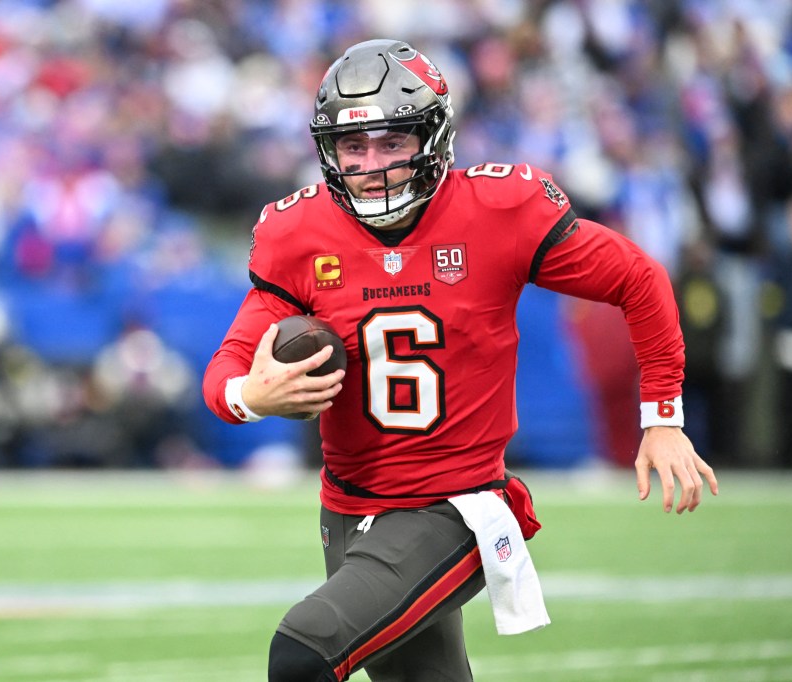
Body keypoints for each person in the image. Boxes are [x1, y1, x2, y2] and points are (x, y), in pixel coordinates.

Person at [202, 39, 719, 682]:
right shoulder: (298, 233)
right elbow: (224, 372)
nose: (371, 164)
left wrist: (662, 415)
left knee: (302, 653)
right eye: (353, 147)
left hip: (454, 507)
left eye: (392, 142)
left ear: (434, 137)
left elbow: (638, 279)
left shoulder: (499, 210)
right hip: (346, 507)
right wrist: (254, 397)